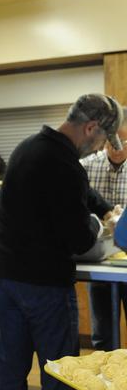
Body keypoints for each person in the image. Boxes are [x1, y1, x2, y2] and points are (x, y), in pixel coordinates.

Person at [0, 93, 123, 390]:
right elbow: (79, 240)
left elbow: (81, 192)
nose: (99, 147)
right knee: (58, 372)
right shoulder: (64, 165)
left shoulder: (28, 148)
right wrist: (100, 227)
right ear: (91, 127)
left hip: (8, 280)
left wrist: (105, 209)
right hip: (45, 287)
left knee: (10, 368)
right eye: (103, 139)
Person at [80, 118, 127, 349]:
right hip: (99, 255)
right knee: (103, 332)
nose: (118, 147)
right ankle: (104, 383)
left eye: (124, 140)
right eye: (113, 140)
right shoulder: (86, 165)